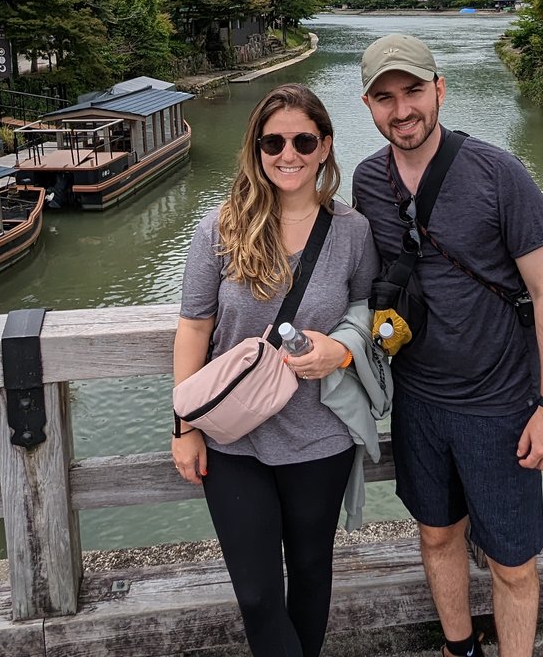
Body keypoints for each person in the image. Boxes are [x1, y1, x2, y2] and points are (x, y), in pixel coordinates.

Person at [353, 34, 543, 657]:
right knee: (436, 536)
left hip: (499, 404)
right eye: (385, 98)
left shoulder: (499, 173)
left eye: (413, 91)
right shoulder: (368, 182)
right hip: (417, 399)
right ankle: (459, 647)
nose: (402, 111)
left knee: (511, 562)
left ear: (440, 89)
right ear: (368, 106)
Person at [172, 83, 382, 657]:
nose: (287, 154)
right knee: (260, 596)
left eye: (302, 140)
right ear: (256, 149)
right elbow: (194, 327)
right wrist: (184, 425)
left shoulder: (353, 231)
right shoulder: (220, 229)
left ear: (325, 147)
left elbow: (367, 317)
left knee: (312, 577)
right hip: (233, 441)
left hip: (320, 436)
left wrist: (337, 351)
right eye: (272, 142)